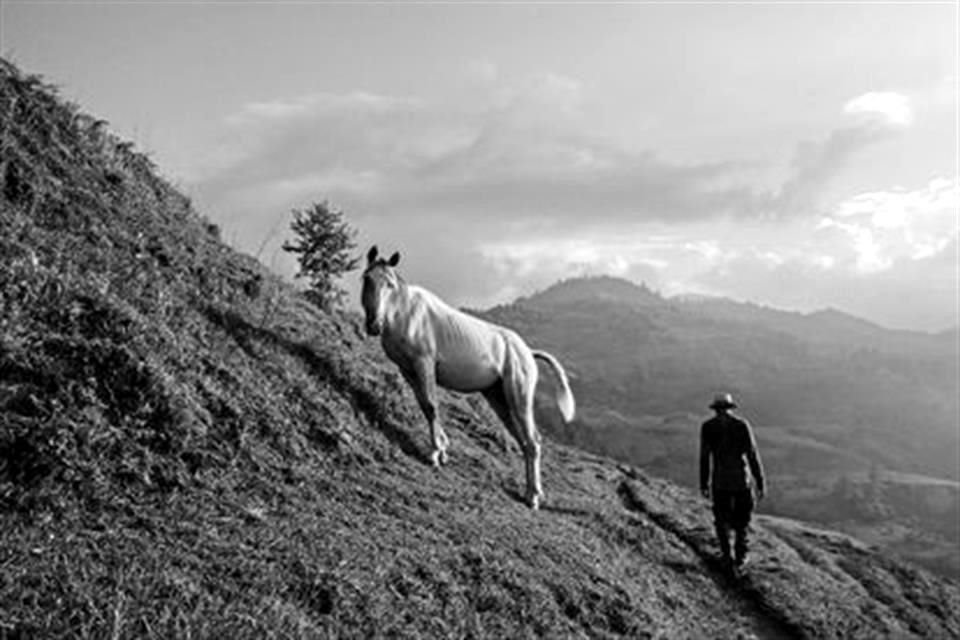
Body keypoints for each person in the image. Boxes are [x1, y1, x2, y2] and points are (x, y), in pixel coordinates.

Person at [699, 393, 765, 572]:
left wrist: (703, 483)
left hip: (720, 480)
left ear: (715, 409)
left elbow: (705, 457)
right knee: (742, 521)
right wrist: (760, 481)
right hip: (740, 480)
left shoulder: (708, 427)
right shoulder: (741, 426)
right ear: (730, 408)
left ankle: (727, 555)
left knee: (721, 520)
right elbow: (752, 455)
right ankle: (740, 556)